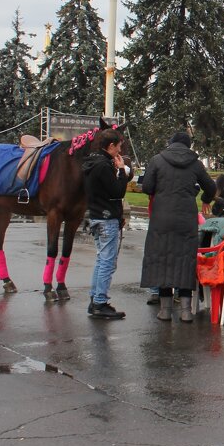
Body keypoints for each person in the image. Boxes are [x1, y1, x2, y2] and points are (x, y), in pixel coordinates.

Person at [141, 131, 217, 322]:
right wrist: (201, 195)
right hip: (186, 218)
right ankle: (185, 311)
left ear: (171, 143)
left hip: (161, 218)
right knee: (185, 259)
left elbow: (147, 187)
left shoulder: (157, 160)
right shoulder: (195, 164)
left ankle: (165, 310)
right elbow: (211, 187)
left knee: (162, 259)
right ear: (188, 146)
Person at [83, 128, 133, 319]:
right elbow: (117, 192)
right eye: (119, 147)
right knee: (107, 262)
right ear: (111, 146)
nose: (120, 151)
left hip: (96, 214)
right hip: (107, 217)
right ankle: (100, 302)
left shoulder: (91, 162)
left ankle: (95, 298)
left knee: (101, 259)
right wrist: (121, 170)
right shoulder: (103, 165)